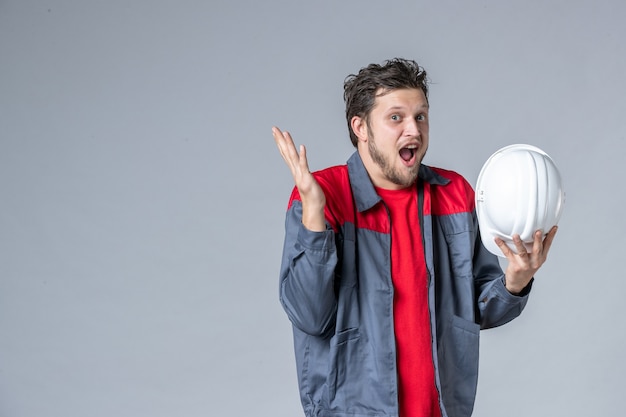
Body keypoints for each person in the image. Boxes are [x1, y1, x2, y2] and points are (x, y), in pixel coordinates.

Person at [272, 58, 557, 417]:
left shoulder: (455, 195)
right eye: (396, 118)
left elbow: (476, 312)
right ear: (360, 127)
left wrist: (515, 281)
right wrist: (314, 213)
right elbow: (309, 315)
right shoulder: (322, 195)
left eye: (420, 116)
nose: (414, 130)